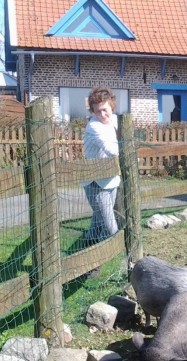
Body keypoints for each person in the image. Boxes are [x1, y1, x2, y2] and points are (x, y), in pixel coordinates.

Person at [82, 86, 121, 244]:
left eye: (105, 109)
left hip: (111, 178)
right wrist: (130, 154)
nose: (102, 115)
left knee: (98, 221)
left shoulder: (116, 120)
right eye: (97, 111)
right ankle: (103, 259)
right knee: (111, 228)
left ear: (111, 105)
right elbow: (111, 149)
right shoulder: (94, 126)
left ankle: (87, 247)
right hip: (95, 183)